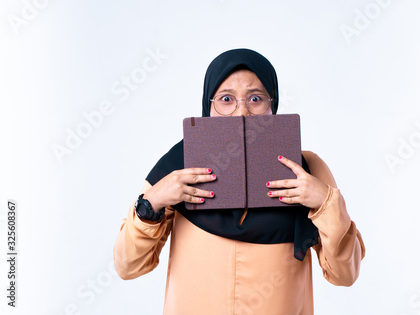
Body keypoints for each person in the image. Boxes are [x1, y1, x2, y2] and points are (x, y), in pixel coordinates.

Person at [113, 48, 366, 315]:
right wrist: (151, 203)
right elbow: (128, 267)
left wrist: (326, 203)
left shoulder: (306, 170)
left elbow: (344, 275)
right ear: (208, 106)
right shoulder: (178, 166)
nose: (241, 113)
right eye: (226, 99)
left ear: (273, 105)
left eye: (255, 99)